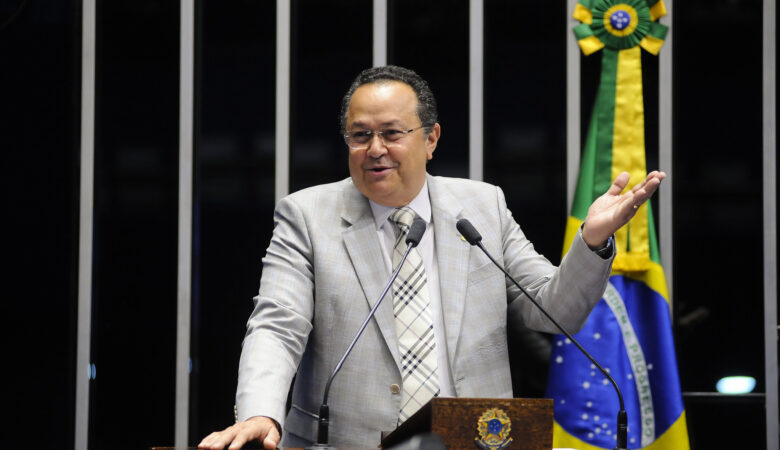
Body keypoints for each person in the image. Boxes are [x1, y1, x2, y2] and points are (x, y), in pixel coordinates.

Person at [199, 65, 665, 449]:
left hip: (476, 441)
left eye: (391, 133)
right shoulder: (307, 216)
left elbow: (555, 311)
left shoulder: (482, 206)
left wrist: (591, 242)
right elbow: (277, 325)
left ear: (431, 138)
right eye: (360, 135)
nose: (375, 149)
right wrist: (261, 412)